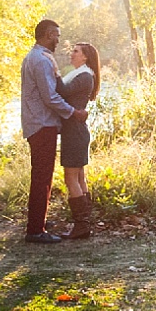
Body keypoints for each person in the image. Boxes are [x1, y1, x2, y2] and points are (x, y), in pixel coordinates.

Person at [20, 19, 85, 244]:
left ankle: (38, 221)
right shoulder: (41, 61)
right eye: (56, 35)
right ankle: (35, 230)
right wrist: (73, 113)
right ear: (48, 34)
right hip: (42, 124)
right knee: (42, 177)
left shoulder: (35, 57)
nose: (58, 39)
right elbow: (50, 96)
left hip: (36, 123)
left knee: (41, 175)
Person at [56, 42, 101, 239]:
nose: (71, 54)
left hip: (75, 132)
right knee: (79, 178)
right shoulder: (83, 74)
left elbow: (63, 91)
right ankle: (84, 224)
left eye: (76, 51)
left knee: (71, 178)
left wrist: (53, 70)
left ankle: (82, 225)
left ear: (85, 57)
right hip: (75, 131)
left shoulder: (84, 76)